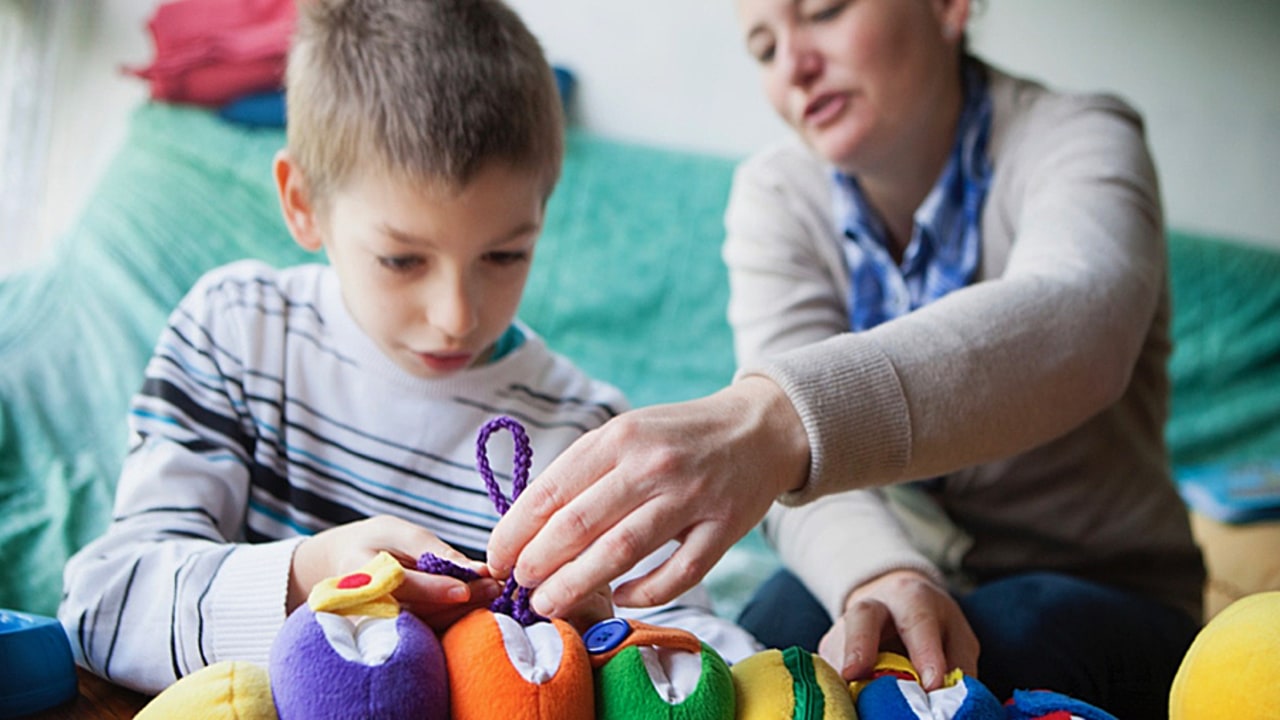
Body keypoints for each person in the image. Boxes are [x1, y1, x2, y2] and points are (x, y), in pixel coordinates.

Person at [487, 1, 1204, 717]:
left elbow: (1080, 323)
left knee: (1012, 636)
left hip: (1109, 591)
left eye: (824, 11)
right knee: (778, 650)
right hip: (896, 562)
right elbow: (789, 492)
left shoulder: (1080, 138)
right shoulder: (780, 197)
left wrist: (774, 422)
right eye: (764, 49)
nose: (795, 66)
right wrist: (876, 573)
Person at [57, 0, 756, 695]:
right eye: (402, 260)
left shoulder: (583, 433)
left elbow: (691, 663)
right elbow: (104, 604)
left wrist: (603, 640)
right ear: (301, 202)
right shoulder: (237, 334)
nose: (455, 317)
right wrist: (308, 575)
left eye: (505, 256)